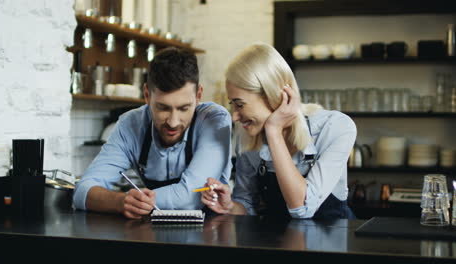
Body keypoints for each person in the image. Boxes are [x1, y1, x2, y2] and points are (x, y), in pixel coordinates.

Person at [201, 43, 357, 219]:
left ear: (273, 96)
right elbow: (246, 205)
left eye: (240, 105)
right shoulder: (248, 137)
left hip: (329, 243)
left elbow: (302, 208)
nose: (235, 117)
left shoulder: (335, 127)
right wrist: (229, 206)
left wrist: (274, 131)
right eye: (233, 105)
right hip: (277, 244)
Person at [73, 47, 232, 219]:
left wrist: (141, 200)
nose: (173, 121)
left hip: (208, 239)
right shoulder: (130, 124)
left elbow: (188, 198)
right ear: (147, 95)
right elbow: (82, 191)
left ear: (199, 95)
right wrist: (121, 201)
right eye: (163, 108)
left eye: (184, 108)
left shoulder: (215, 120)